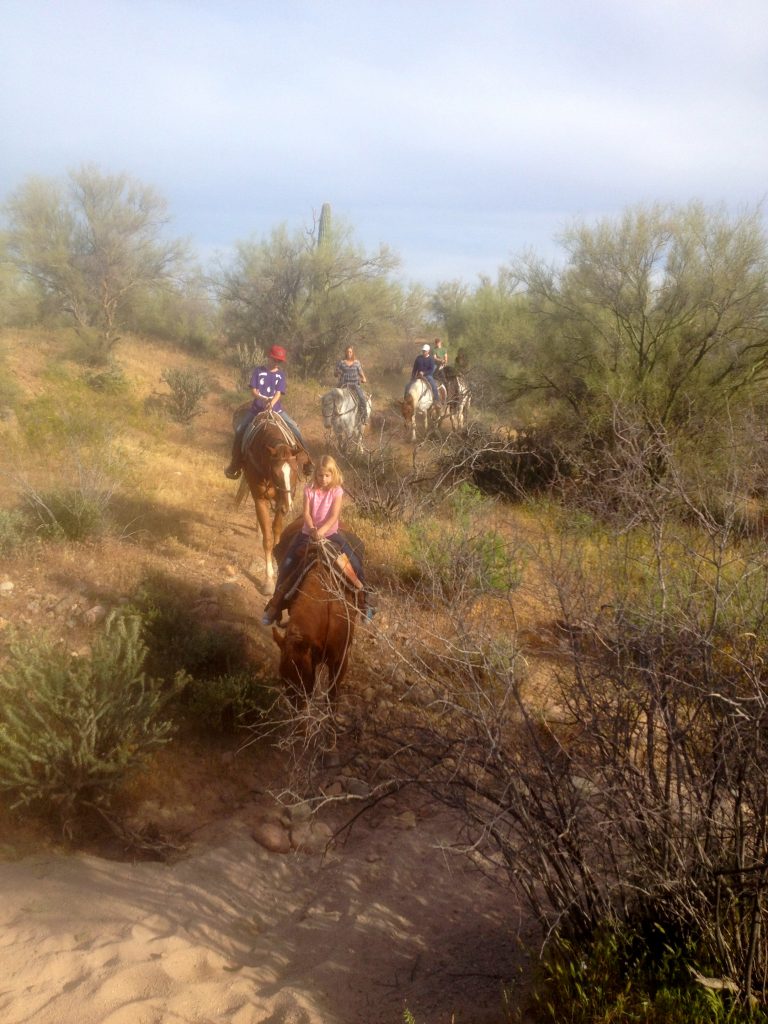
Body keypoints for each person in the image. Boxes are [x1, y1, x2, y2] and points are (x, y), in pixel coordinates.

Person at [261, 454, 365, 625]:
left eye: (327, 475)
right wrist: (312, 530)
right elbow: (307, 514)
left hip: (330, 533)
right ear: (315, 474)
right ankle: (275, 605)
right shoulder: (309, 489)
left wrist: (322, 531)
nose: (323, 479)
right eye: (320, 475)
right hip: (307, 533)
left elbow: (333, 516)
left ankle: (365, 600)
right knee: (286, 563)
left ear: (333, 475)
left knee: (354, 561)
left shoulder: (337, 491)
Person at [224, 344, 311, 479]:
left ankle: (307, 461)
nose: (276, 362)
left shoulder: (280, 375)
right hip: (257, 409)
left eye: (279, 361)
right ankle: (235, 463)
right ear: (269, 357)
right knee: (240, 429)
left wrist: (271, 403)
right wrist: (263, 399)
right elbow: (254, 391)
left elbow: (278, 393)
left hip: (276, 410)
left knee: (295, 428)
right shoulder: (258, 371)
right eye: (274, 359)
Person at [335, 345, 369, 425]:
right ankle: (331, 417)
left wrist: (364, 378)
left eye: (350, 352)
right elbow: (335, 373)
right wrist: (337, 372)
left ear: (352, 353)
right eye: (347, 352)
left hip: (355, 385)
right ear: (345, 353)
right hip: (343, 385)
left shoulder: (357, 362)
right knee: (333, 397)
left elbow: (360, 372)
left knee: (362, 399)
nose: (349, 353)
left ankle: (364, 417)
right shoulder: (341, 362)